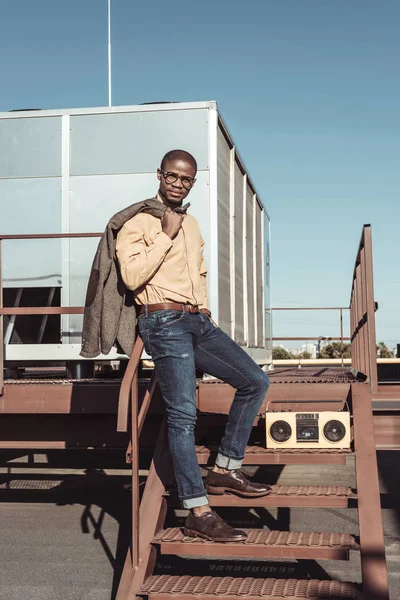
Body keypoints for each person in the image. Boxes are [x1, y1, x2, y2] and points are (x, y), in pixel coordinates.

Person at [116, 149, 271, 542]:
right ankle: (197, 510)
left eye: (186, 179)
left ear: (192, 182)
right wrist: (165, 236)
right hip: (162, 320)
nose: (178, 184)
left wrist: (203, 306)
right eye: (172, 176)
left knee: (255, 380)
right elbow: (132, 276)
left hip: (195, 320)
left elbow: (199, 270)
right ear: (159, 174)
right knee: (183, 416)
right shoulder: (136, 224)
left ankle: (225, 467)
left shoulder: (194, 224)